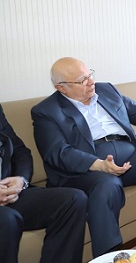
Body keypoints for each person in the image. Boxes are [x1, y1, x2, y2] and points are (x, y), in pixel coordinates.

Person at [31, 57, 136, 258]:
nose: (91, 82)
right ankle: (109, 255)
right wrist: (99, 165)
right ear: (62, 88)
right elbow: (57, 152)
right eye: (82, 80)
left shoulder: (106, 90)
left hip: (127, 154)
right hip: (88, 168)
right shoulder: (46, 111)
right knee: (107, 185)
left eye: (89, 75)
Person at [0, 103, 87, 263]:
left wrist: (21, 180)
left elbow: (20, 151)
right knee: (7, 219)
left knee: (73, 199)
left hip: (9, 192)